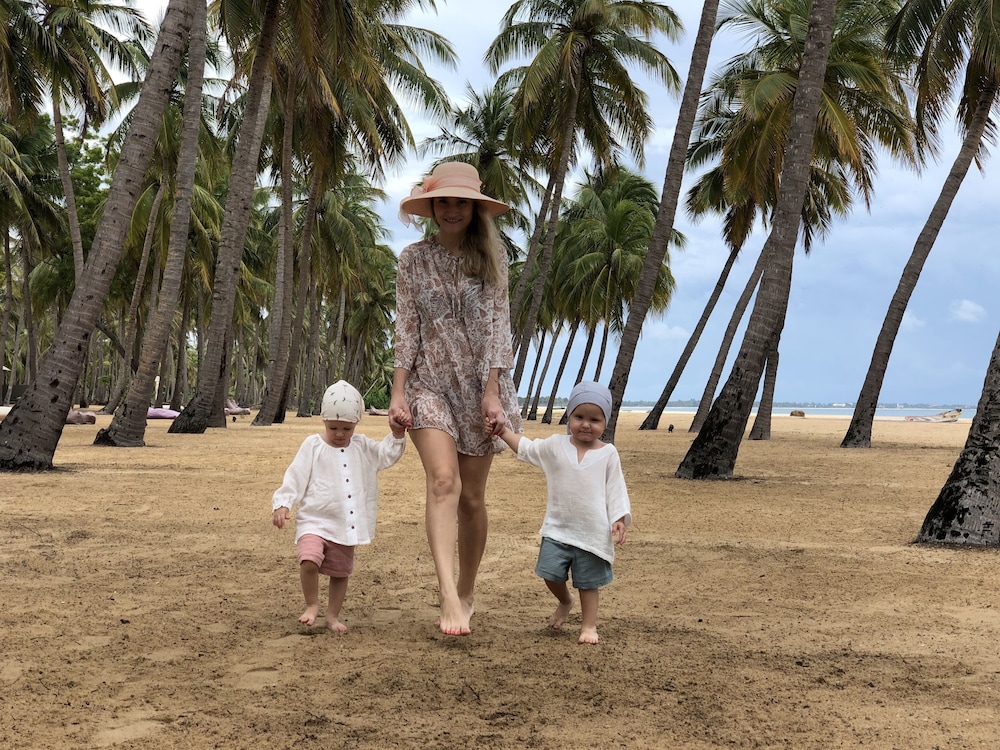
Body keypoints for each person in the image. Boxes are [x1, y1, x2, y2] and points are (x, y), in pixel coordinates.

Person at [389, 161, 522, 636]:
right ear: (430, 206)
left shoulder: (493, 257)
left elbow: (499, 329)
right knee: (443, 482)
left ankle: (466, 590)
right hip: (428, 383)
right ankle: (447, 594)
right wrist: (398, 392)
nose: (451, 210)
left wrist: (492, 393)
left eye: (460, 202)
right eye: (442, 201)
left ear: (474, 207)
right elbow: (406, 329)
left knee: (472, 498)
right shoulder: (412, 259)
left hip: (480, 389)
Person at [498, 381, 631, 645]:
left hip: (591, 534)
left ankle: (589, 626)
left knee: (588, 584)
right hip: (557, 529)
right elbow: (527, 448)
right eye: (579, 417)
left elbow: (616, 489)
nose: (586, 424)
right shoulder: (555, 446)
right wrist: (502, 431)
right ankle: (565, 600)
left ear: (605, 422)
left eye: (594, 420)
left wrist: (618, 518)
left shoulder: (608, 454)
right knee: (549, 573)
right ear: (569, 416)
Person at [272, 380, 406, 632]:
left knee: (340, 573)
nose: (340, 434)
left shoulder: (362, 446)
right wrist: (283, 504)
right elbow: (295, 476)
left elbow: (385, 455)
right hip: (314, 521)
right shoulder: (313, 446)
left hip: (345, 524)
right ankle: (312, 604)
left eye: (347, 428)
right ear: (324, 420)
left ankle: (332, 616)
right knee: (308, 560)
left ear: (356, 423)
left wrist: (397, 434)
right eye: (333, 427)